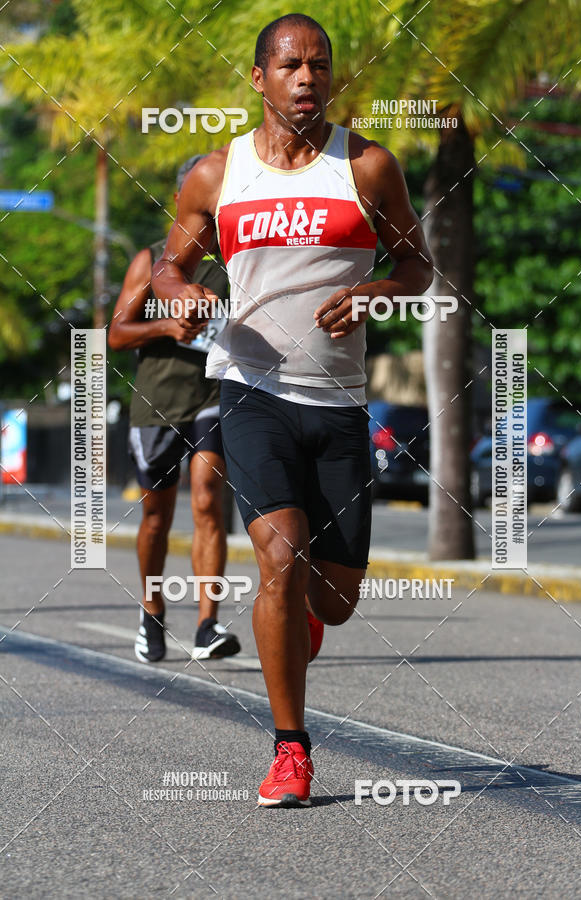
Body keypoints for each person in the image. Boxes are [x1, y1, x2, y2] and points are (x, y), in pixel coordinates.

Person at [152, 14, 433, 806]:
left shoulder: (369, 167)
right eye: (289, 65)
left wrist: (374, 291)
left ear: (333, 76)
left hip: (340, 401)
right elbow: (167, 271)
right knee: (280, 557)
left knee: (334, 600)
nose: (306, 77)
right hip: (251, 392)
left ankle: (301, 625)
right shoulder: (217, 173)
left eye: (318, 65)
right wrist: (189, 294)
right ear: (259, 79)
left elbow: (417, 264)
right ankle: (290, 749)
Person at [108, 156, 241, 665]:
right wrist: (166, 327)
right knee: (156, 516)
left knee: (208, 500)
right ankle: (152, 610)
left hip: (214, 395)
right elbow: (117, 334)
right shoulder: (151, 260)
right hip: (157, 403)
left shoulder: (235, 261)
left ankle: (207, 624)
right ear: (183, 199)